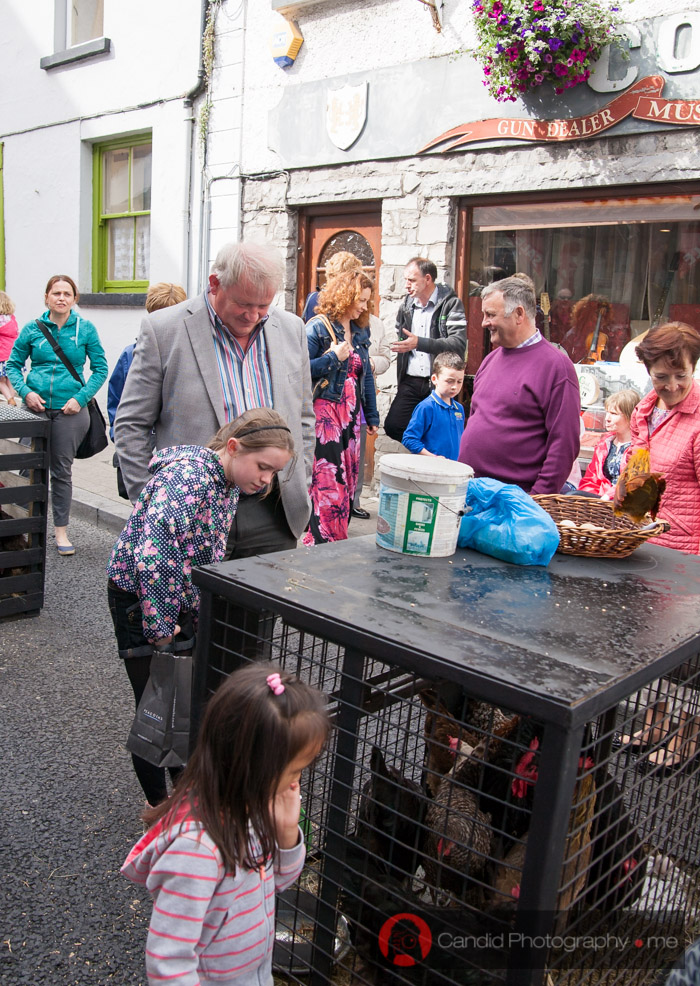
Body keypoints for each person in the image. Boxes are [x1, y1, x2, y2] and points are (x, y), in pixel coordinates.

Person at [107, 408, 295, 807]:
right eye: (263, 467)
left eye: (274, 472)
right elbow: (154, 553)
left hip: (172, 599)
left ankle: (185, 799)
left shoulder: (227, 483)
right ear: (233, 447)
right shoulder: (189, 478)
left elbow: (199, 550)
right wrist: (159, 624)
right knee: (156, 706)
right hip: (142, 598)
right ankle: (159, 812)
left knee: (183, 705)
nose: (267, 480)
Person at [121, 662, 330, 985]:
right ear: (253, 767)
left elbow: (275, 884)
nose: (296, 783)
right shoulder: (197, 850)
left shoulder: (251, 809)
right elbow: (169, 960)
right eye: (294, 772)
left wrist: (288, 836)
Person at [114, 241, 315, 560]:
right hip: (192, 512)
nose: (253, 315)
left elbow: (304, 417)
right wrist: (153, 503)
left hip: (275, 511)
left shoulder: (291, 329)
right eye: (244, 303)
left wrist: (302, 478)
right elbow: (130, 425)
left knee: (261, 610)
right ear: (215, 284)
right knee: (194, 610)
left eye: (264, 305)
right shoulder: (164, 329)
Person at [6, 275, 108, 554]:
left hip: (70, 412)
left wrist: (80, 398)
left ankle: (60, 533)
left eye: (67, 293)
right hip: (34, 410)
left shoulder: (85, 329)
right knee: (28, 470)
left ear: (75, 299)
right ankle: (22, 528)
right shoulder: (32, 329)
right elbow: (13, 366)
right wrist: (26, 392)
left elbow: (100, 369)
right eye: (56, 293)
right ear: (47, 297)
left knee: (61, 472)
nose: (61, 298)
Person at [458, 274, 581, 494]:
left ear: (518, 314)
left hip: (514, 502)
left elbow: (564, 447)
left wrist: (535, 502)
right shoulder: (490, 360)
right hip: (473, 493)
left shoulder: (557, 367)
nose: (484, 322)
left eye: (490, 315)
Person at [302, 250, 393, 519]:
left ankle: (336, 537)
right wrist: (332, 358)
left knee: (345, 484)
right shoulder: (317, 328)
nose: (365, 307)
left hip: (351, 419)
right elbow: (298, 371)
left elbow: (364, 376)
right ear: (346, 297)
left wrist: (373, 414)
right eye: (361, 300)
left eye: (367, 300)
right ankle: (319, 540)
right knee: (327, 482)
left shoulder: (361, 331)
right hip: (326, 418)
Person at [107, 282, 187, 499]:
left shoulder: (190, 357)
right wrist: (126, 442)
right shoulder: (131, 355)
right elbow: (117, 405)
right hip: (144, 450)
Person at [629, 321, 700, 554]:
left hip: (683, 554)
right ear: (648, 369)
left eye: (681, 375)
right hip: (640, 544)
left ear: (694, 368)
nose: (672, 386)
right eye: (661, 377)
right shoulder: (642, 411)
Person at [384, 257, 467, 444]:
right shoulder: (406, 306)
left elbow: (458, 344)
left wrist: (419, 343)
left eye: (412, 280)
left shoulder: (451, 304)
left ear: (427, 279)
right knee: (394, 425)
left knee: (440, 431)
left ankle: (431, 460)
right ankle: (426, 453)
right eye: (406, 280)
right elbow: (402, 338)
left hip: (439, 381)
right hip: (411, 381)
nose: (407, 285)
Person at [402, 351, 466, 459]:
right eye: (449, 381)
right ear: (434, 379)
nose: (455, 386)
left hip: (454, 469)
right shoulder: (426, 407)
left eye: (459, 381)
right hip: (431, 470)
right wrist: (433, 458)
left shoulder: (459, 409)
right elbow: (409, 439)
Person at [577, 389, 641, 498]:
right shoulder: (605, 444)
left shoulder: (639, 447)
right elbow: (590, 478)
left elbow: (633, 481)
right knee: (572, 496)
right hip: (601, 499)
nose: (607, 418)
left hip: (624, 501)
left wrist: (607, 496)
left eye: (614, 414)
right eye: (607, 412)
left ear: (630, 416)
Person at [0, 291, 19, 405]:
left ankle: (9, 399)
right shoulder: (12, 319)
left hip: (1, 355)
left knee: (1, 381)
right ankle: (11, 399)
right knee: (10, 379)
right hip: (12, 355)